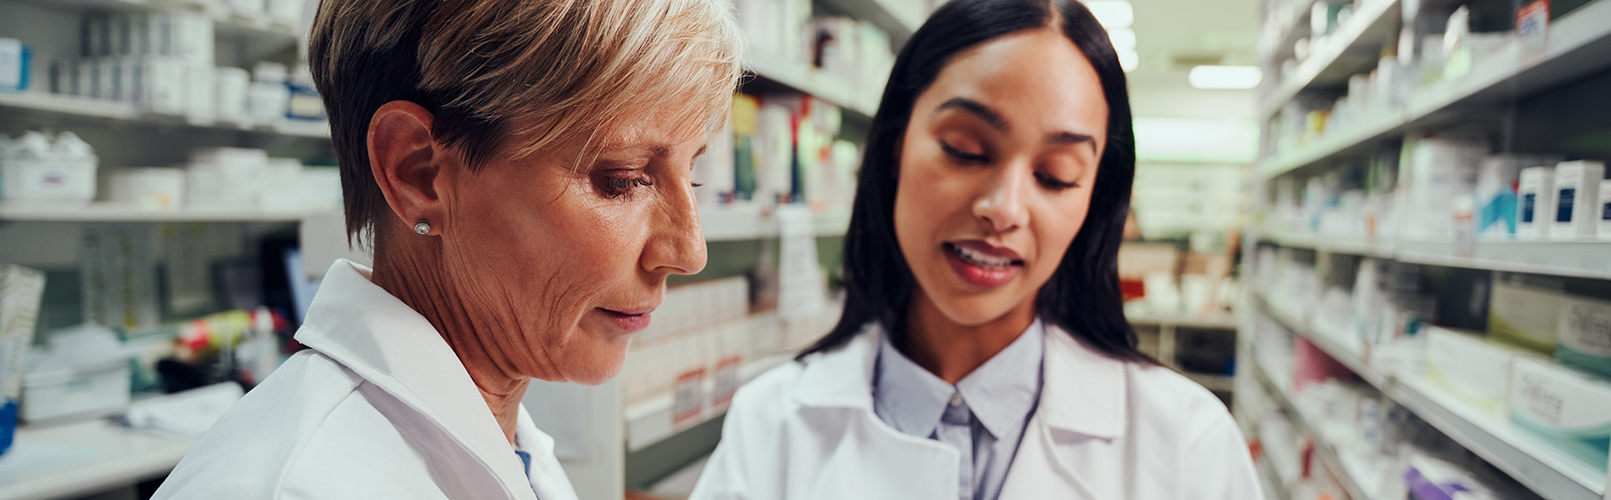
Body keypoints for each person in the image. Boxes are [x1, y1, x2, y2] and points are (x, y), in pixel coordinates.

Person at [154, 0, 741, 498]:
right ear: (418, 172)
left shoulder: (501, 433)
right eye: (625, 177)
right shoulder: (297, 483)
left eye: (689, 177)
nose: (689, 251)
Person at [688, 0, 1261, 498]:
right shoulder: (773, 424)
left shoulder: (1189, 443)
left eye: (1057, 175)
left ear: (1094, 199)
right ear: (894, 146)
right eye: (966, 150)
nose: (1005, 209)